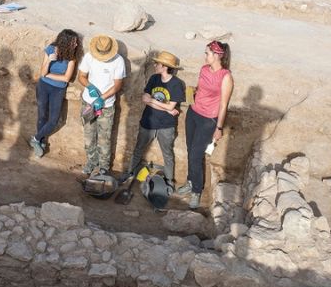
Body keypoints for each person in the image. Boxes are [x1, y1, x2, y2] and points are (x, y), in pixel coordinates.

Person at [179, 41, 234, 210]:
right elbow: (201, 88)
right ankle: (190, 181)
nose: (205, 56)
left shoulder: (226, 77)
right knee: (190, 150)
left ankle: (197, 190)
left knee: (196, 155)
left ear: (217, 55)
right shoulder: (204, 69)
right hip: (193, 113)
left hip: (208, 120)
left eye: (207, 53)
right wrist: (193, 92)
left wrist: (218, 128)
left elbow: (224, 105)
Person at [124, 50, 185, 183]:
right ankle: (129, 173)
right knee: (138, 149)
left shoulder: (176, 84)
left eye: (157, 64)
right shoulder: (154, 78)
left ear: (164, 67)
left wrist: (153, 101)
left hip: (166, 126)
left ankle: (169, 181)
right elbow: (145, 98)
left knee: (167, 154)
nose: (155, 66)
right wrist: (167, 108)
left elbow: (166, 105)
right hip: (148, 122)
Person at [76, 34, 126, 176]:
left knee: (104, 138)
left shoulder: (118, 61)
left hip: (106, 106)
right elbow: (81, 76)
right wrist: (90, 86)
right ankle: (91, 162)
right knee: (89, 136)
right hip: (88, 103)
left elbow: (117, 85)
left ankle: (104, 166)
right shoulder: (89, 57)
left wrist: (102, 98)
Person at [30, 29, 81, 158]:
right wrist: (49, 61)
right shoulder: (51, 49)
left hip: (58, 90)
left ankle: (35, 139)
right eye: (74, 42)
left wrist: (48, 75)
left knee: (53, 120)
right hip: (43, 86)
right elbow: (42, 72)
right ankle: (40, 143)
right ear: (66, 42)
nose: (76, 45)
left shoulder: (72, 58)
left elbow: (66, 78)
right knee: (42, 116)